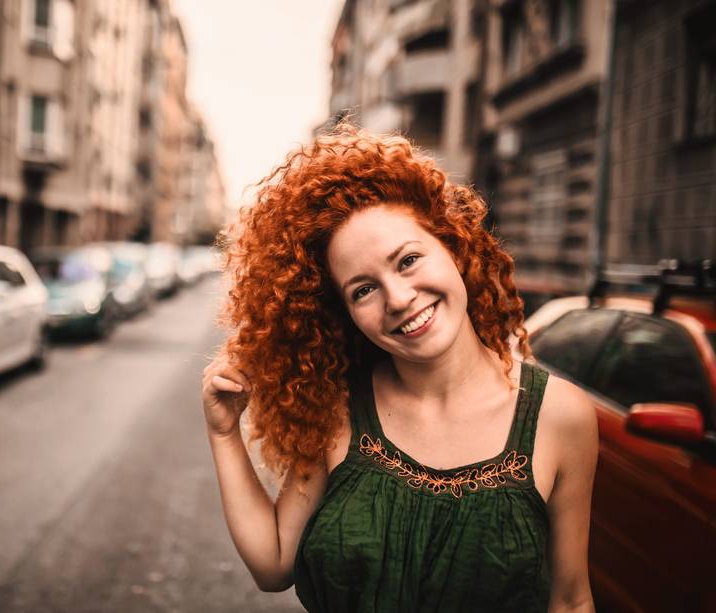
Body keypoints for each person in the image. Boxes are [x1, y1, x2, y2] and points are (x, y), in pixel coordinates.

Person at [201, 124, 598, 612]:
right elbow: (274, 563)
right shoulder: (339, 407)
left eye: (408, 260)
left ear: (451, 246)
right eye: (363, 289)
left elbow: (571, 600)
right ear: (342, 312)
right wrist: (224, 434)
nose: (399, 299)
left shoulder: (561, 416)